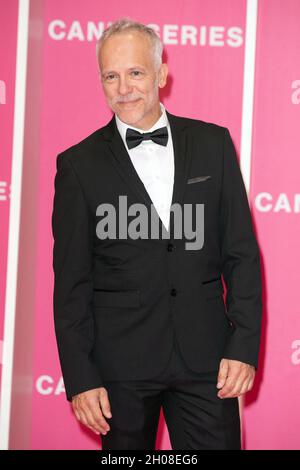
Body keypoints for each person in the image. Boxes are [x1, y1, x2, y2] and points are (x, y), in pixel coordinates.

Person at [51, 18, 263, 450]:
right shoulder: (78, 165)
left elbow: (240, 254)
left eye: (135, 72)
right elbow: (71, 283)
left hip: (208, 362)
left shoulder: (213, 144)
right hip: (119, 369)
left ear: (161, 74)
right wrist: (80, 377)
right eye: (111, 75)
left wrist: (242, 346)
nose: (123, 87)